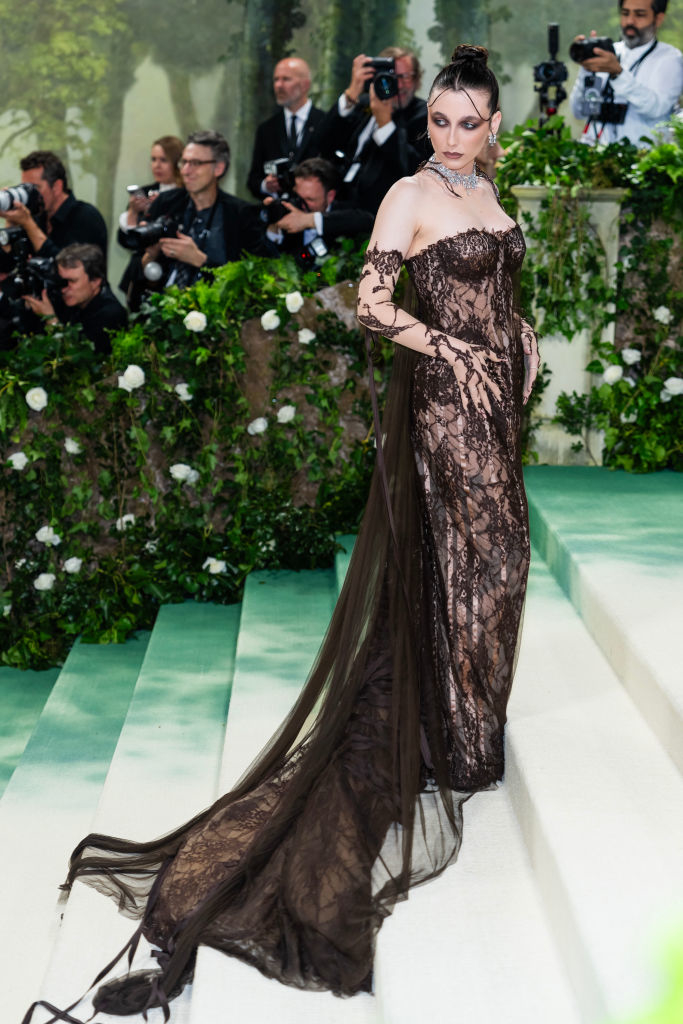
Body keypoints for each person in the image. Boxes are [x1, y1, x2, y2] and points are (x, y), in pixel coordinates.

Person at [23, 46, 540, 1022]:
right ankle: (445, 738)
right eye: (438, 120)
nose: (450, 136)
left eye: (467, 121)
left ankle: (461, 733)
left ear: (493, 126)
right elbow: (375, 306)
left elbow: (503, 300)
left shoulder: (489, 192)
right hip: (438, 410)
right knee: (469, 563)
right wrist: (455, 348)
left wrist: (515, 352)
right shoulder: (407, 197)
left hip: (491, 412)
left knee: (497, 565)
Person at [140, 130, 270, 290]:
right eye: (184, 162)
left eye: (195, 163)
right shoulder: (166, 203)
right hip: (162, 305)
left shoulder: (241, 215)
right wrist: (151, 255)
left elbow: (250, 282)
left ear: (218, 169)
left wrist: (200, 260)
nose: (186, 171)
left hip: (218, 310)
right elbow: (143, 278)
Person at [318, 46, 430, 214]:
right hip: (335, 200)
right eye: (390, 77)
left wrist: (385, 122)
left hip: (375, 213)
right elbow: (322, 143)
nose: (397, 85)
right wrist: (351, 93)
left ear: (417, 80)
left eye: (404, 77)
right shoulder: (364, 103)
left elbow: (413, 170)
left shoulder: (423, 115)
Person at [569, 0, 683, 146]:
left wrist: (617, 74)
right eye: (625, 13)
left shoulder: (670, 58)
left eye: (639, 14)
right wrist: (586, 70)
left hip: (641, 159)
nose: (630, 21)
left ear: (658, 19)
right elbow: (578, 112)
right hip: (594, 155)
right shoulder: (606, 53)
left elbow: (656, 109)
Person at [0, 150, 107, 260]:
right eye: (25, 187)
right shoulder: (36, 216)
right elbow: (5, 265)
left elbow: (65, 268)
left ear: (56, 187)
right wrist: (10, 220)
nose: (30, 194)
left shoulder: (86, 217)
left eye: (35, 188)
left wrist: (29, 224)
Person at [22, 243, 126, 355]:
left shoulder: (111, 314)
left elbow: (81, 360)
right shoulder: (66, 298)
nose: (64, 288)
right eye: (62, 280)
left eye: (72, 281)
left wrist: (51, 320)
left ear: (95, 281)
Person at [117, 135, 184, 309]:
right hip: (140, 276)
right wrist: (134, 212)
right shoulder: (143, 193)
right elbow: (126, 242)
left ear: (177, 163)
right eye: (153, 159)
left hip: (172, 275)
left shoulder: (187, 197)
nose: (157, 165)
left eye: (163, 160)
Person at [247, 57, 326, 199]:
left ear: (305, 85)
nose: (279, 85)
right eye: (276, 80)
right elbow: (253, 180)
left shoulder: (324, 123)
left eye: (286, 79)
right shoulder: (267, 129)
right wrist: (266, 185)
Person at [265, 157, 374, 257]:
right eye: (299, 196)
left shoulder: (346, 216)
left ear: (330, 196)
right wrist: (274, 228)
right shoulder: (291, 207)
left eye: (310, 199)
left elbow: (368, 220)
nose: (303, 204)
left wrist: (311, 220)